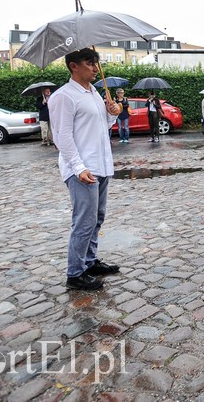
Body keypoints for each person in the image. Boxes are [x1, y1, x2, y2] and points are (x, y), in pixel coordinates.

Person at [48, 48, 121, 291]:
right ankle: (75, 273)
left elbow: (101, 127)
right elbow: (62, 136)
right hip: (82, 169)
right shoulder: (64, 97)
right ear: (73, 66)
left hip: (101, 164)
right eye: (90, 63)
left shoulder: (94, 93)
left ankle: (89, 262)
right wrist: (78, 167)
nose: (95, 68)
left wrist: (112, 114)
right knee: (84, 221)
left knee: (96, 218)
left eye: (96, 63)